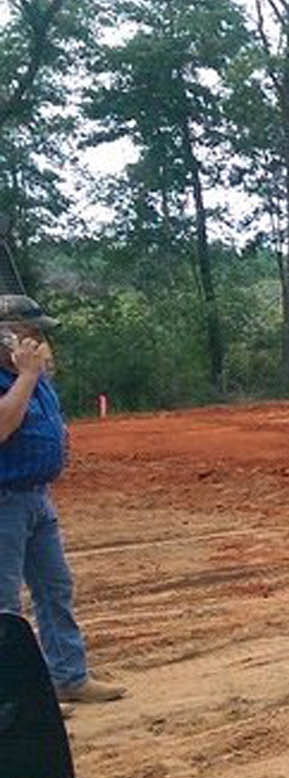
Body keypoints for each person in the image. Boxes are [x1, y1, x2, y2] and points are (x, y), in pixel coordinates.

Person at [0, 295, 121, 708]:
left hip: (35, 497)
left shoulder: (33, 377)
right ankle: (13, 699)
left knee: (55, 589)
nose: (40, 341)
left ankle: (69, 677)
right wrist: (28, 376)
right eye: (32, 332)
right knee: (5, 607)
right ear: (6, 334)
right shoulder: (22, 378)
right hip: (4, 502)